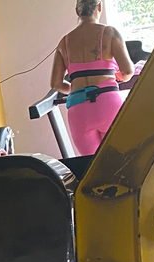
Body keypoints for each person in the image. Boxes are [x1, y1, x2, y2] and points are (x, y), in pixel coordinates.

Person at [50, 0, 135, 156]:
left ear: (77, 11)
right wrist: (118, 76)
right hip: (108, 103)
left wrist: (75, 89)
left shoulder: (64, 42)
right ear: (99, 6)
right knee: (121, 159)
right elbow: (128, 71)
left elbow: (56, 83)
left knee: (92, 165)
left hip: (79, 112)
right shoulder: (109, 33)